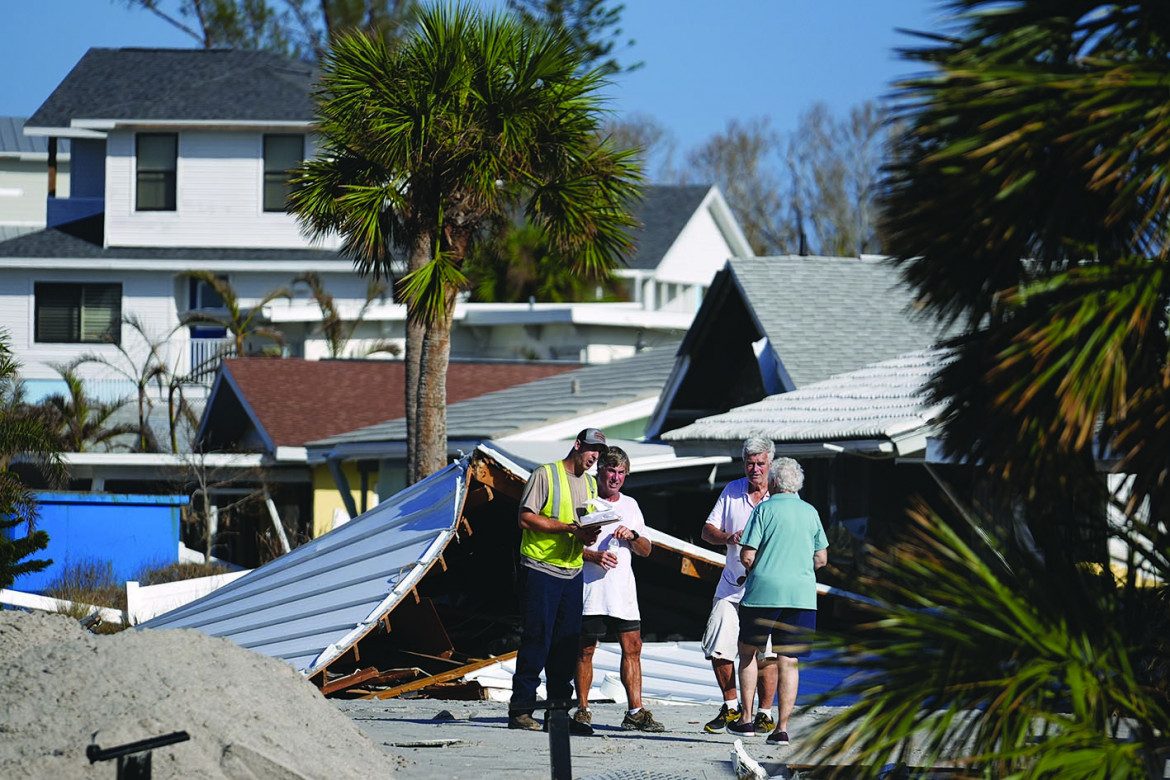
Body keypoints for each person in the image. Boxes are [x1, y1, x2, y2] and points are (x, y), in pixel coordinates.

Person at [508, 428, 608, 734]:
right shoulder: (545, 474)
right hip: (541, 568)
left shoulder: (591, 483)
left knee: (566, 646)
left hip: (572, 570)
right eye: (591, 449)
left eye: (599, 452)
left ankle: (558, 715)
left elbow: (585, 523)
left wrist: (591, 532)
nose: (595, 457)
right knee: (537, 639)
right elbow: (525, 518)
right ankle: (521, 710)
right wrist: (569, 529)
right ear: (577, 445)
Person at [729, 457, 828, 745]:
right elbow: (821, 558)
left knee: (748, 652)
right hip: (801, 596)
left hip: (764, 593)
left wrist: (756, 566)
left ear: (773, 482)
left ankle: (746, 720)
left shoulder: (764, 509)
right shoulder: (811, 512)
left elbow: (747, 555)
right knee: (789, 659)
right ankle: (781, 728)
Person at [573, 446, 665, 733]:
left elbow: (646, 550)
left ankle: (635, 711)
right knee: (586, 649)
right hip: (591, 590)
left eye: (621, 473)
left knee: (633, 648)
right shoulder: (583, 500)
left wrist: (633, 535)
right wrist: (593, 556)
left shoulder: (631, 505)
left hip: (622, 593)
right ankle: (582, 709)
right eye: (611, 471)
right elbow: (567, 546)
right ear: (599, 471)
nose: (615, 478)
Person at [699, 437, 780, 735]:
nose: (754, 469)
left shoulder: (780, 494)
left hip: (767, 588)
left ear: (770, 463)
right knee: (719, 647)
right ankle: (731, 706)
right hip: (731, 583)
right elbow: (707, 530)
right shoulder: (732, 489)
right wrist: (729, 537)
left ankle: (764, 712)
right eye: (750, 463)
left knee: (766, 653)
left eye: (760, 463)